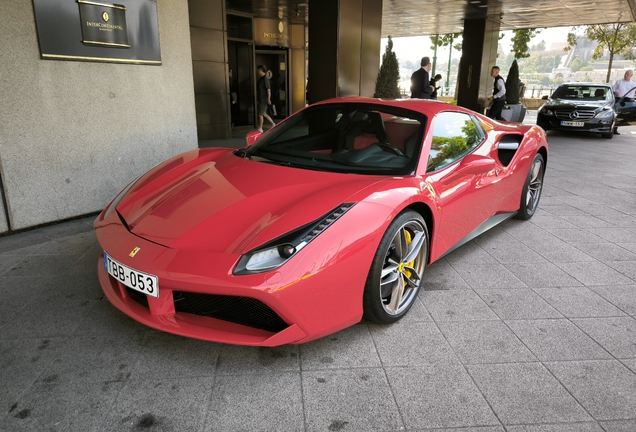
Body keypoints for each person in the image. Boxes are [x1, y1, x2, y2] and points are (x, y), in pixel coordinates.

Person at [612, 69, 635, 135]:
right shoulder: (619, 82)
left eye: (627, 74)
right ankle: (614, 128)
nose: (625, 75)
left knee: (623, 114)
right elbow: (613, 89)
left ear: (631, 75)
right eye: (625, 73)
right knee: (616, 113)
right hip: (618, 99)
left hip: (627, 100)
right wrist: (615, 92)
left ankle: (618, 127)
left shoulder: (633, 84)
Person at [256, 65, 275, 133]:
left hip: (263, 99)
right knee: (263, 113)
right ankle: (273, 124)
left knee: (261, 114)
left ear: (262, 70)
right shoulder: (260, 79)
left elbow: (268, 90)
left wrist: (268, 99)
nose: (258, 71)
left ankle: (260, 128)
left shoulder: (265, 79)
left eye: (259, 70)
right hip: (260, 99)